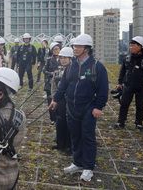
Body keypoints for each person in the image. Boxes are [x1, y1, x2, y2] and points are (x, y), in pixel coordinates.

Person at [49, 34, 108, 182]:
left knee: (87, 137)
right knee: (74, 135)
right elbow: (64, 84)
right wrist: (55, 99)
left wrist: (98, 107)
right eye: (74, 46)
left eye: (79, 46)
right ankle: (77, 162)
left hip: (88, 108)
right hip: (71, 107)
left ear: (87, 48)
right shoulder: (72, 65)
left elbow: (103, 89)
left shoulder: (96, 66)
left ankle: (88, 167)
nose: (75, 49)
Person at [113, 36, 143, 131]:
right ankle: (121, 122)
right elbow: (122, 72)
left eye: (133, 45)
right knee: (124, 104)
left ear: (140, 46)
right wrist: (120, 83)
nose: (131, 47)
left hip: (141, 87)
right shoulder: (127, 58)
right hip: (128, 86)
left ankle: (139, 124)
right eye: (130, 46)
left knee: (140, 106)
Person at [50, 46, 73, 153]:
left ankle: (69, 145)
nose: (63, 60)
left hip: (69, 100)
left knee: (69, 123)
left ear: (70, 59)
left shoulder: (74, 70)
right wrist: (54, 98)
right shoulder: (58, 70)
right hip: (59, 100)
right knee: (59, 122)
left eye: (65, 58)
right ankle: (60, 144)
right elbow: (53, 86)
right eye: (61, 58)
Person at [43, 42, 61, 122]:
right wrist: (51, 73)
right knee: (50, 101)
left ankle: (58, 117)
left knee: (59, 101)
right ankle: (52, 119)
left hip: (60, 84)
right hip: (50, 83)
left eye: (58, 49)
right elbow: (44, 70)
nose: (56, 51)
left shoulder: (63, 58)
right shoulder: (49, 60)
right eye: (54, 49)